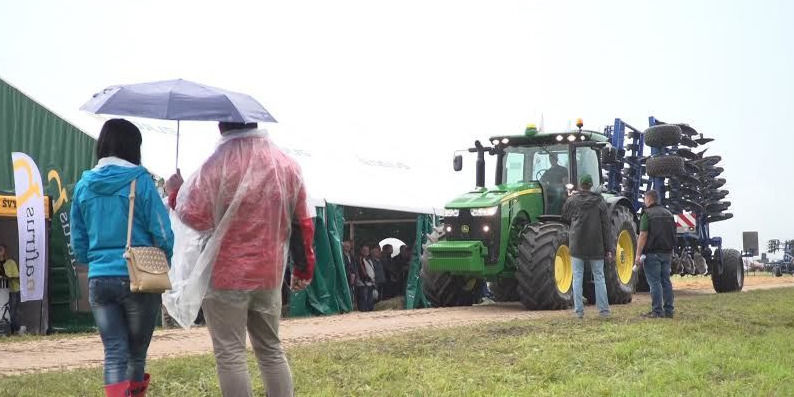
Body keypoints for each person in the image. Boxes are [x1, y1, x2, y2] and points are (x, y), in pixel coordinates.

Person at [167, 121, 315, 397]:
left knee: (230, 353)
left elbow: (193, 216)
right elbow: (303, 221)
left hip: (225, 276)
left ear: (222, 125)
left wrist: (175, 191)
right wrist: (303, 269)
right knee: (271, 348)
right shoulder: (287, 165)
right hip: (268, 275)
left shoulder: (215, 165)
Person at [70, 119, 174, 397]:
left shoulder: (83, 185)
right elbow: (162, 232)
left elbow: (78, 241)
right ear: (133, 147)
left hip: (99, 280)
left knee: (114, 352)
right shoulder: (140, 180)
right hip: (138, 277)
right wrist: (165, 258)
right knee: (136, 353)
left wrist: (94, 260)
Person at [561, 174, 613, 319]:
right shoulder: (600, 202)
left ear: (580, 185)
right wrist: (609, 249)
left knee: (577, 277)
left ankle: (579, 312)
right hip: (596, 245)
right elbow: (606, 227)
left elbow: (564, 216)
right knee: (599, 277)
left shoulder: (573, 200)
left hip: (577, 244)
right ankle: (604, 311)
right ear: (591, 185)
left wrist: (569, 197)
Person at [635, 189, 676, 319]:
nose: (644, 202)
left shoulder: (647, 214)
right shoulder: (669, 214)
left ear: (649, 199)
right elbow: (673, 234)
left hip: (652, 254)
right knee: (666, 281)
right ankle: (669, 311)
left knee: (655, 283)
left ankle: (657, 311)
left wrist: (637, 254)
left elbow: (643, 235)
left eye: (644, 199)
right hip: (667, 253)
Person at [0, 243, 20, 335]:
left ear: (5, 252)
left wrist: (7, 277)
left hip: (13, 290)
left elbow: (17, 277)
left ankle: (16, 330)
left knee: (12, 312)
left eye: (1, 249)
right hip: (2, 292)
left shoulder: (11, 262)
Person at [355, 245, 375, 311]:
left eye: (367, 250)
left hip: (371, 282)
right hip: (364, 283)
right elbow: (361, 270)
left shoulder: (369, 260)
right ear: (361, 251)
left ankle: (369, 310)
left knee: (370, 299)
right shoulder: (360, 259)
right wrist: (366, 278)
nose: (366, 252)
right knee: (364, 299)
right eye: (364, 250)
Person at [342, 240, 358, 306]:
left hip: (352, 278)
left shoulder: (351, 256)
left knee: (351, 292)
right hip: (345, 277)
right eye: (346, 246)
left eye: (348, 246)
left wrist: (354, 274)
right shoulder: (341, 256)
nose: (347, 247)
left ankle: (350, 305)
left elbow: (354, 267)